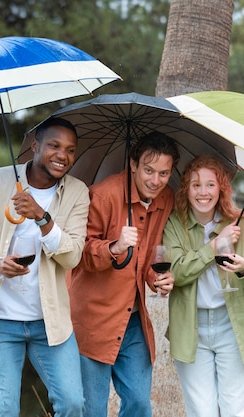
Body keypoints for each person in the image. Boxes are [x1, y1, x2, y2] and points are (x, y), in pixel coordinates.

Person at [0, 117, 89, 417]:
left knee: (72, 404)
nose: (63, 155)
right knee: (4, 411)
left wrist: (42, 218)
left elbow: (72, 257)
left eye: (70, 150)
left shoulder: (77, 192)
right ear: (35, 146)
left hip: (50, 321)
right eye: (54, 146)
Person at [68, 131, 180, 417]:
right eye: (149, 170)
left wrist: (157, 279)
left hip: (133, 320)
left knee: (140, 404)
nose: (156, 180)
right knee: (92, 410)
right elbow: (78, 255)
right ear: (133, 164)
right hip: (93, 320)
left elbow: (148, 255)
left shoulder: (165, 199)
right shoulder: (103, 195)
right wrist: (114, 246)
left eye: (164, 173)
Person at [163, 154, 244, 417]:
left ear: (221, 188)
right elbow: (175, 271)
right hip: (191, 327)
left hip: (234, 327)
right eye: (196, 185)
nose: (203, 192)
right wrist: (214, 246)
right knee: (201, 412)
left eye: (210, 185)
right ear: (186, 188)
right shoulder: (175, 224)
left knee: (237, 412)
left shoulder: (242, 223)